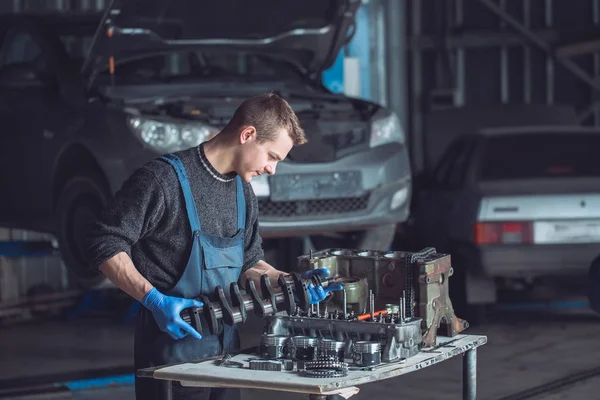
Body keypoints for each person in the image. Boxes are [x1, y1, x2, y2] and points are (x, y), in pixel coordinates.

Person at [86, 93, 343, 400]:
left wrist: (292, 284)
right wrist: (154, 300)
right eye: (272, 156)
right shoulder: (162, 180)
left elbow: (249, 262)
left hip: (226, 357)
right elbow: (105, 243)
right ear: (247, 135)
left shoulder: (242, 193)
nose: (273, 169)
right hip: (170, 359)